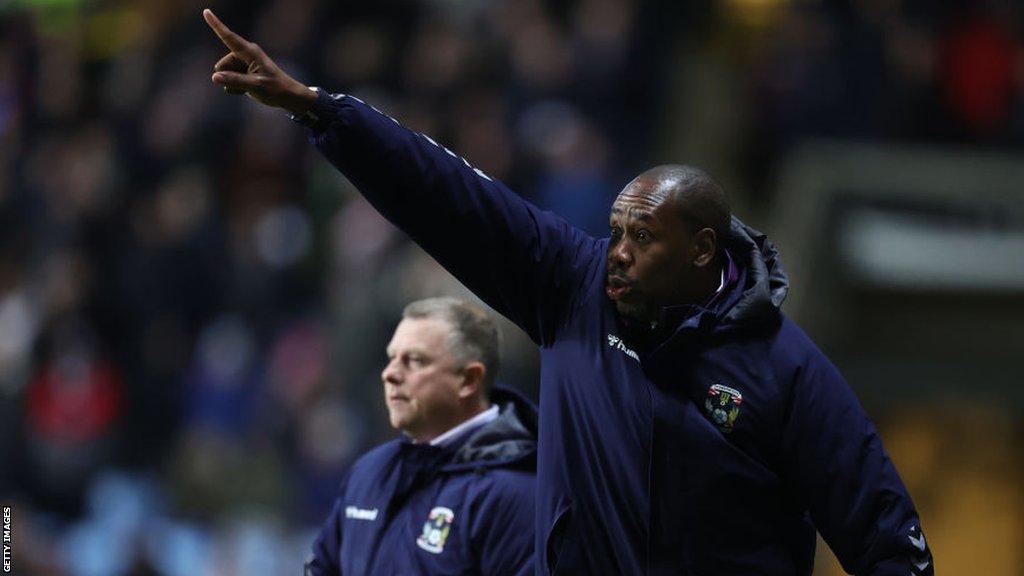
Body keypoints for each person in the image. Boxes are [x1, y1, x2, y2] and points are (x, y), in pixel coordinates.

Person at [203, 10, 934, 575]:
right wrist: (323, 112)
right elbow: (446, 194)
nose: (615, 253)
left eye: (641, 239)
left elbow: (883, 532)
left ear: (703, 250)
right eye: (615, 231)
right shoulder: (572, 285)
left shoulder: (785, 369)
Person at [304, 297, 537, 575]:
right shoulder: (370, 472)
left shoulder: (515, 496)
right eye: (391, 358)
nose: (389, 374)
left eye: (413, 360)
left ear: (468, 380)